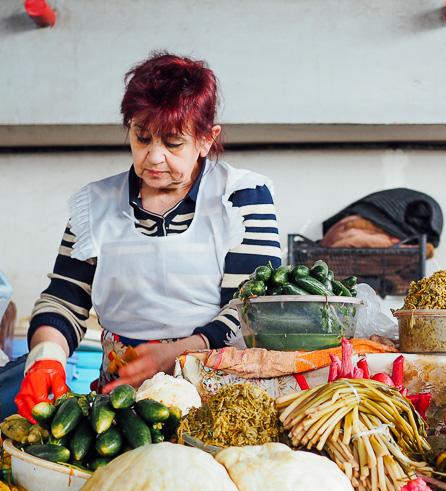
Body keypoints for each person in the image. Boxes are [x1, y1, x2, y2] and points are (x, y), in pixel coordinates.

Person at [16, 52, 281, 421]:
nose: (154, 157)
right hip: (120, 399)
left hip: (219, 395)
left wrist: (176, 353)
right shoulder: (95, 205)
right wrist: (46, 358)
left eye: (173, 144)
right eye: (142, 137)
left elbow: (253, 308)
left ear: (206, 139)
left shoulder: (240, 197)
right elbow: (64, 299)